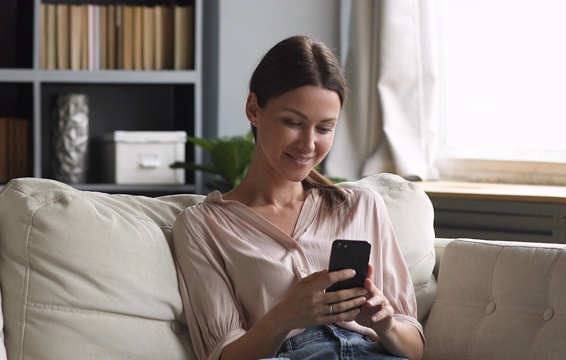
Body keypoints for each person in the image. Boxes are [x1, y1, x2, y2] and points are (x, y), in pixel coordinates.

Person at [172, 35, 425, 360]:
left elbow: (415, 348)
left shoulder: (362, 206)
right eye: (293, 122)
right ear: (254, 109)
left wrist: (385, 323)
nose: (308, 144)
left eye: (324, 129)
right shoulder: (203, 226)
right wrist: (284, 317)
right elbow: (223, 355)